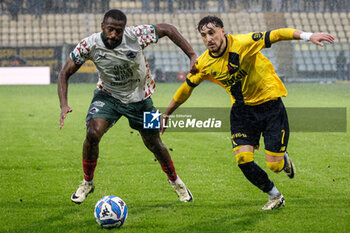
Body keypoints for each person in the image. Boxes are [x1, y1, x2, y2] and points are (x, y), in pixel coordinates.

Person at [161, 15, 334, 210]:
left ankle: (282, 158)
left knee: (274, 166)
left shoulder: (243, 43)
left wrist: (307, 36)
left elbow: (277, 34)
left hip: (270, 105)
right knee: (243, 160)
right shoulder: (204, 63)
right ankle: (275, 196)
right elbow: (186, 88)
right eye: (203, 35)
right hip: (242, 111)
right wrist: (167, 114)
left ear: (222, 31)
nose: (208, 39)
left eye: (212, 33)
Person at [58, 9, 197, 204]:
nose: (114, 34)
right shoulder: (89, 45)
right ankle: (87, 182)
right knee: (92, 132)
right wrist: (64, 104)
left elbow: (168, 29)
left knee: (155, 143)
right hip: (108, 96)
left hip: (141, 99)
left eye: (118, 30)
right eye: (110, 29)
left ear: (124, 29)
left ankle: (176, 182)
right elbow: (64, 73)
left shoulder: (135, 35)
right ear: (102, 27)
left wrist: (191, 54)